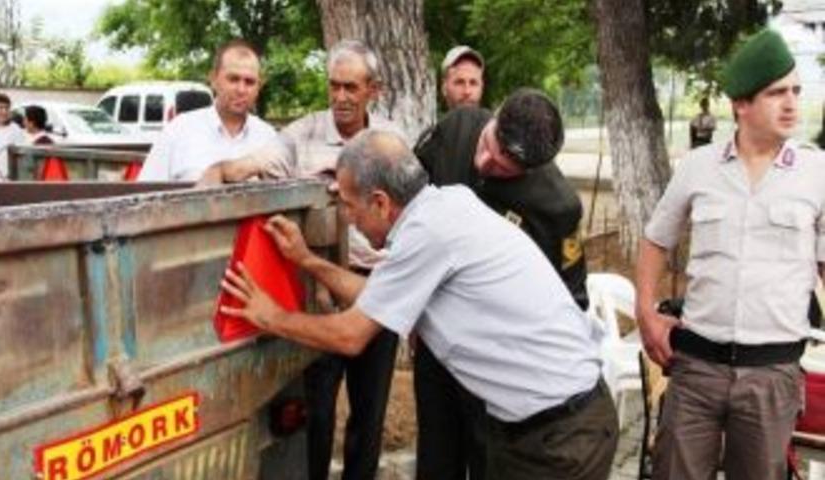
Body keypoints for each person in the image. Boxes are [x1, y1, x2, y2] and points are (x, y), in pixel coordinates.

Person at [220, 130, 619, 479]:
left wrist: (271, 317)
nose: (348, 219)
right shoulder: (445, 204)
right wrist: (306, 260)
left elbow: (351, 335)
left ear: (379, 202)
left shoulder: (428, 232)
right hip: (541, 427)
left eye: (349, 205)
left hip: (559, 437)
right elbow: (381, 299)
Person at [201, 39, 403, 480]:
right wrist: (224, 171)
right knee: (314, 413)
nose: (341, 98)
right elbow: (261, 161)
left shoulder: (391, 143)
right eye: (334, 86)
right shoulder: (301, 134)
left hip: (378, 290)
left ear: (374, 90)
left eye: (352, 87)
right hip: (318, 295)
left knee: (369, 416)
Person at [636, 29, 825, 480]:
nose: (791, 103)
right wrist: (645, 311)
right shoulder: (699, 167)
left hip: (771, 373)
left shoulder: (817, 171)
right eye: (776, 92)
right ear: (742, 104)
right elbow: (656, 238)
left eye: (796, 91)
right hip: (696, 369)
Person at [412, 88, 589, 480]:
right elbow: (404, 186)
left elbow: (572, 299)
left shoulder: (557, 207)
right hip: (437, 343)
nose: (484, 161)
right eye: (489, 144)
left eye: (502, 167)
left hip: (497, 364)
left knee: (487, 458)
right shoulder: (457, 127)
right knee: (436, 459)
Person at [138, 39, 290, 181]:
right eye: (233, 79)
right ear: (213, 79)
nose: (241, 89)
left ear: (259, 87)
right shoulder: (178, 131)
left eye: (249, 82)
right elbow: (145, 195)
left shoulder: (268, 138)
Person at [440, 45, 484, 110]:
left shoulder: (496, 119)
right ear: (444, 87)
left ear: (482, 87)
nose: (467, 91)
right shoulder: (430, 120)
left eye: (473, 83)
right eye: (459, 83)